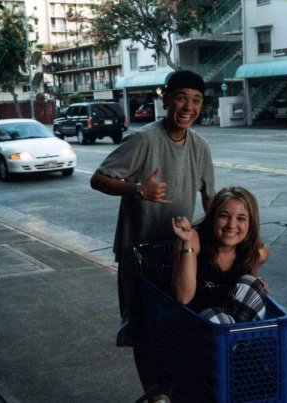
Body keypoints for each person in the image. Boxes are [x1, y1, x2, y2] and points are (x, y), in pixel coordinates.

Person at [90, 70, 215, 402]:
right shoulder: (143, 140)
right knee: (143, 332)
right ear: (167, 99)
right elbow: (98, 179)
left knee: (179, 329)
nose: (188, 107)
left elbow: (211, 200)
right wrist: (138, 190)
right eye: (181, 98)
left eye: (196, 100)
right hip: (140, 256)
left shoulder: (201, 147)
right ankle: (156, 398)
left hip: (180, 255)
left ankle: (174, 391)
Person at [171, 186, 271, 324]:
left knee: (251, 284)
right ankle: (231, 337)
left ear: (251, 223)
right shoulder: (193, 239)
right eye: (224, 216)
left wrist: (256, 282)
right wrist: (186, 242)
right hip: (195, 322)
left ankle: (243, 338)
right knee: (215, 318)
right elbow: (183, 297)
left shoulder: (257, 253)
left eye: (241, 218)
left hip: (232, 323)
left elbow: (250, 278)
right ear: (213, 217)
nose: (231, 225)